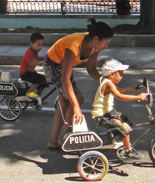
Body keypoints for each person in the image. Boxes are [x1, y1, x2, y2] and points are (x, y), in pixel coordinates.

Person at [44, 19, 114, 150]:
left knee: (65, 103)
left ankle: (53, 141)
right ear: (96, 38)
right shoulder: (74, 44)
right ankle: (66, 138)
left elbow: (91, 69)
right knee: (77, 100)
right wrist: (76, 106)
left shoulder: (95, 46)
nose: (106, 46)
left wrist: (106, 82)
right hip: (53, 65)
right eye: (106, 43)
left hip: (63, 67)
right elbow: (65, 79)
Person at [92, 59, 147, 159]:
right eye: (120, 74)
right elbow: (120, 96)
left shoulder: (107, 81)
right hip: (103, 116)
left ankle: (120, 138)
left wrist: (132, 88)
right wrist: (137, 97)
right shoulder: (108, 83)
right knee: (124, 128)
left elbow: (120, 90)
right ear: (112, 74)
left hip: (108, 112)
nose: (122, 77)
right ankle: (128, 151)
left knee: (126, 121)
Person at [22, 33, 48, 101]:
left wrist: (45, 59)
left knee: (43, 81)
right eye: (38, 45)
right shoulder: (29, 52)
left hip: (30, 72)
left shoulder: (34, 51)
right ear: (31, 44)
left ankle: (37, 99)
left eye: (42, 45)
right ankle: (29, 92)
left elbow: (36, 59)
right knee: (38, 80)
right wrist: (42, 62)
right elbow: (31, 63)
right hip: (25, 73)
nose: (40, 47)